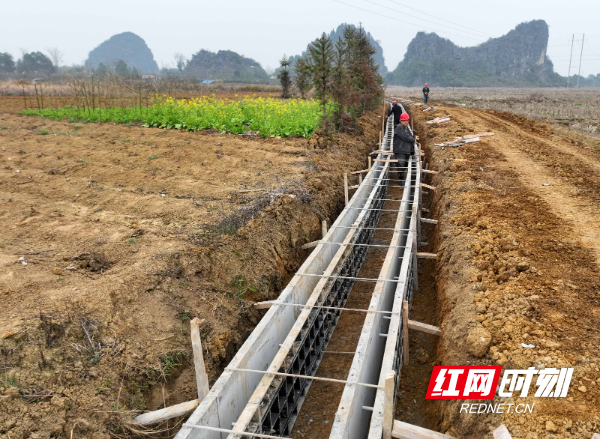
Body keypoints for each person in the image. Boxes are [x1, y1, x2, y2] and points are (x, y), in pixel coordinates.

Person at [393, 112, 415, 186]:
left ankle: (402, 178)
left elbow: (410, 138)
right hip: (400, 150)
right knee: (400, 164)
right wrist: (412, 139)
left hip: (406, 151)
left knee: (404, 165)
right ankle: (401, 179)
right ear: (401, 121)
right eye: (404, 120)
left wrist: (412, 151)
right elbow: (406, 138)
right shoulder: (399, 127)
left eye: (407, 120)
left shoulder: (406, 128)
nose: (406, 122)